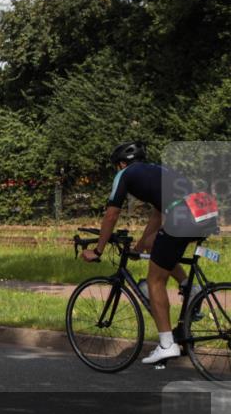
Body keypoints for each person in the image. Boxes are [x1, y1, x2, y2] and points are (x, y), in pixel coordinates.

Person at [81, 141, 219, 364]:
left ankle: (166, 344)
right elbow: (158, 214)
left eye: (117, 166)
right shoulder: (158, 170)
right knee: (155, 246)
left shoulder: (124, 174)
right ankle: (189, 288)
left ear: (122, 164)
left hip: (182, 215)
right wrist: (140, 246)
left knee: (155, 280)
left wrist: (98, 250)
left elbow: (111, 215)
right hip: (205, 209)